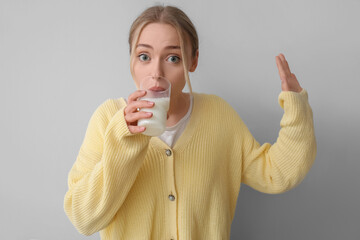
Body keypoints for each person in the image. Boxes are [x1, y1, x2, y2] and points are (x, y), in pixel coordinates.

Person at [63, 4, 317, 240]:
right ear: (131, 60)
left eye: (173, 58)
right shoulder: (108, 119)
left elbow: (276, 174)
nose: (156, 73)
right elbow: (83, 218)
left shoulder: (219, 114)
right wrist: (124, 140)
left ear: (192, 61)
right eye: (144, 56)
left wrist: (296, 106)